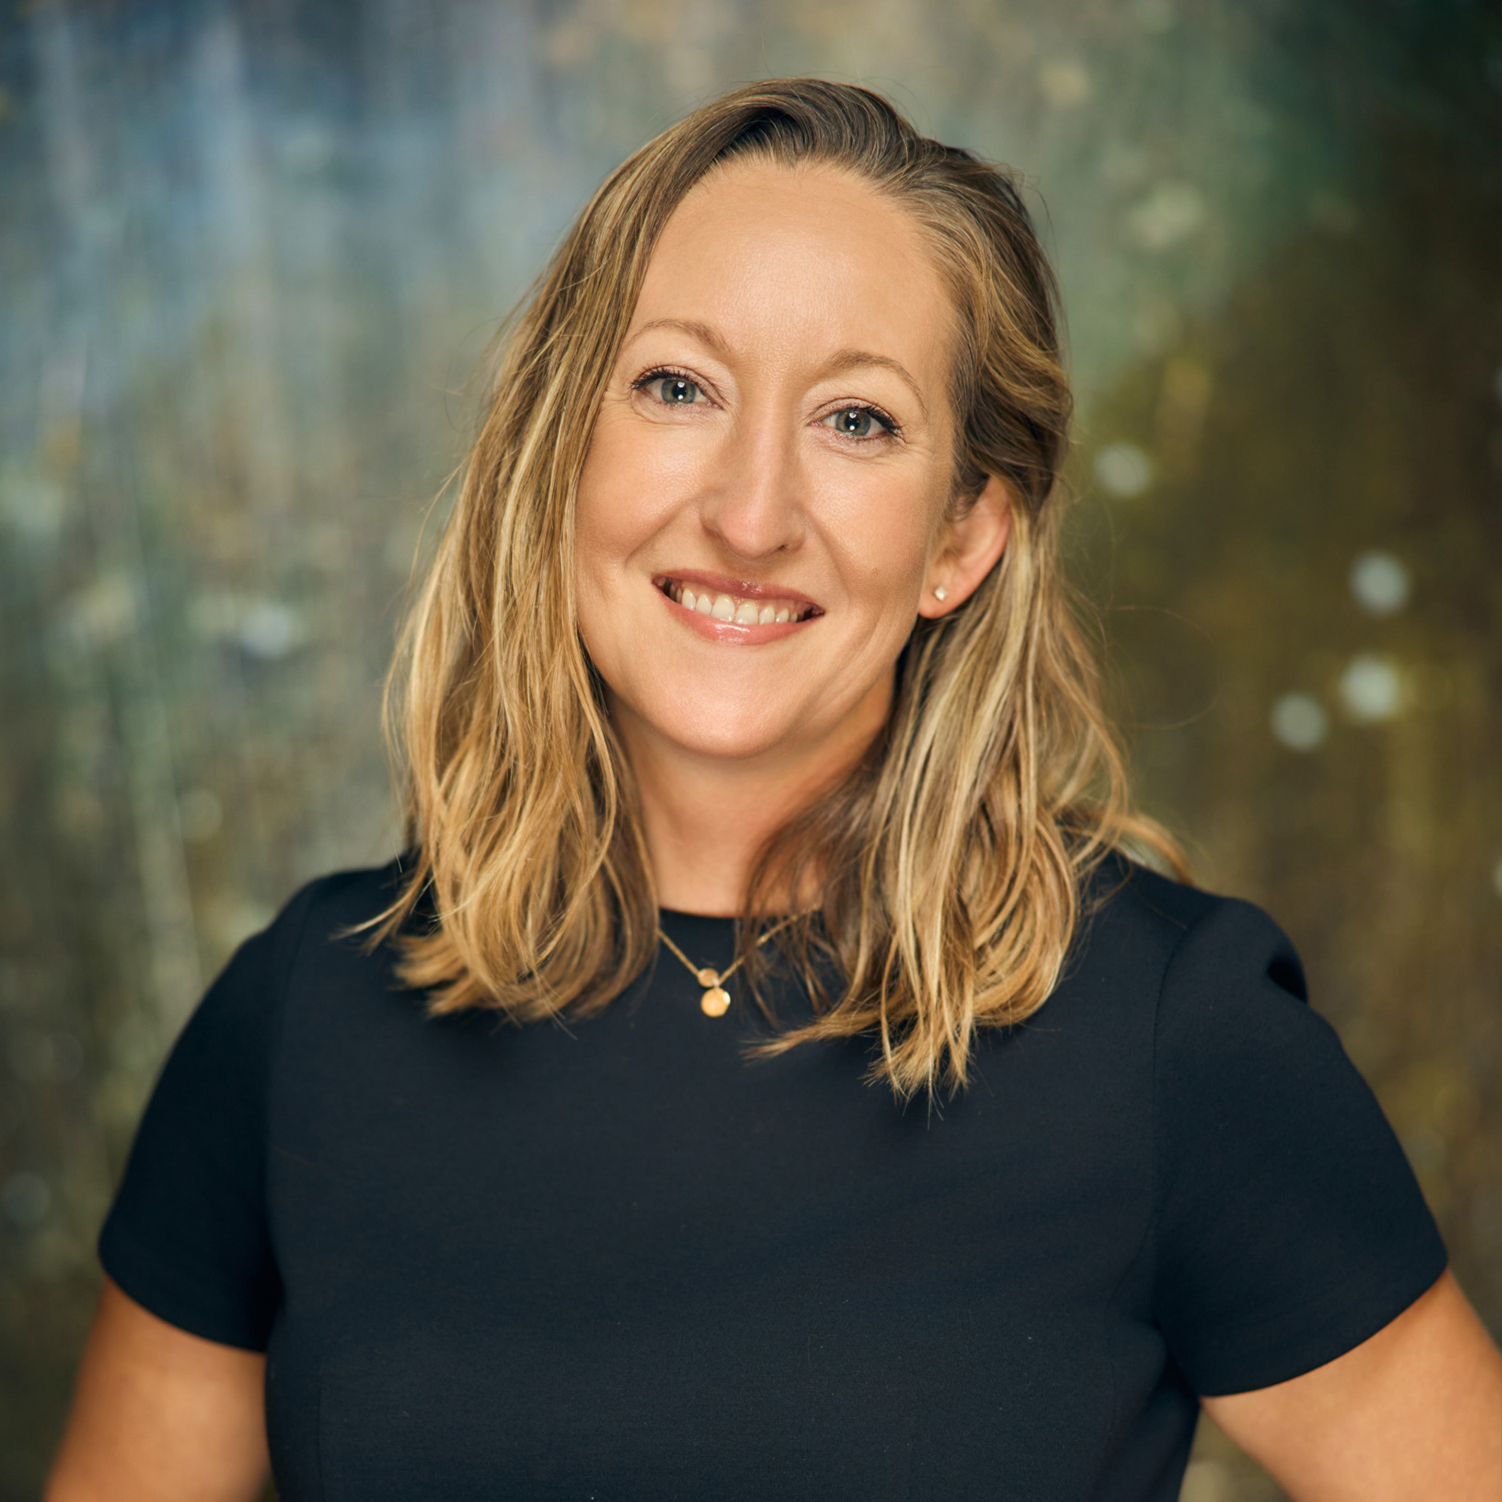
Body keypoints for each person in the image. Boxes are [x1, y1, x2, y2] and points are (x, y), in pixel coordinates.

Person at [46, 79, 1500, 1502]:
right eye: (677, 387)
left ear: (962, 538)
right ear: (559, 453)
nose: (750, 514)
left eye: (855, 420)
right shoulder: (301, 1016)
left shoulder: (1180, 1041)